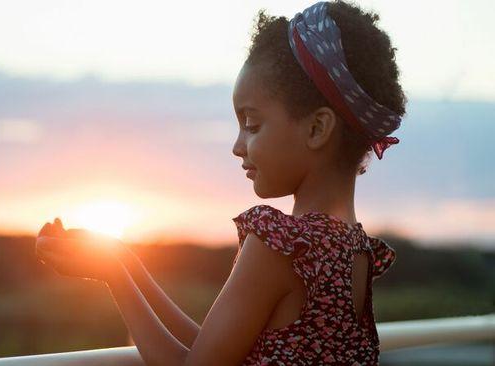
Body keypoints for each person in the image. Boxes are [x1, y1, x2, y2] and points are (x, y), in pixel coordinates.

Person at [36, 0, 402, 364]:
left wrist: (114, 276)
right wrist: (126, 261)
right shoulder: (355, 250)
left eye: (252, 124)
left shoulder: (283, 246)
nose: (237, 146)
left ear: (317, 128)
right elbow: (221, 351)